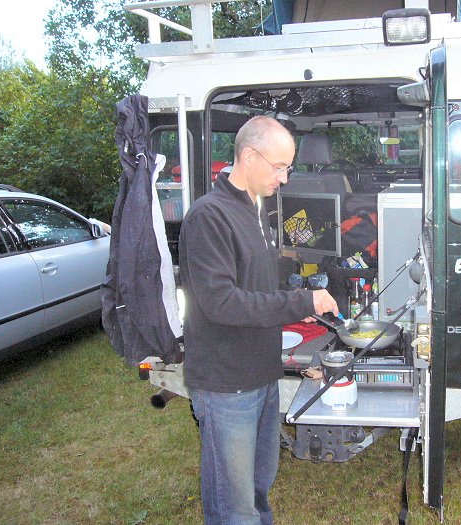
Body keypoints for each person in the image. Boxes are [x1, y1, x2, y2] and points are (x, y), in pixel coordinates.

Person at [179, 115, 339, 525]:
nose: (284, 178)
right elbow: (223, 304)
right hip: (226, 383)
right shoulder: (208, 216)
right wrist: (302, 301)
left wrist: (299, 299)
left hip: (262, 374)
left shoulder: (255, 210)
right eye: (279, 166)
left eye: (288, 167)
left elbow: (260, 287)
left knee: (257, 487)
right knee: (233, 503)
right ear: (249, 157)